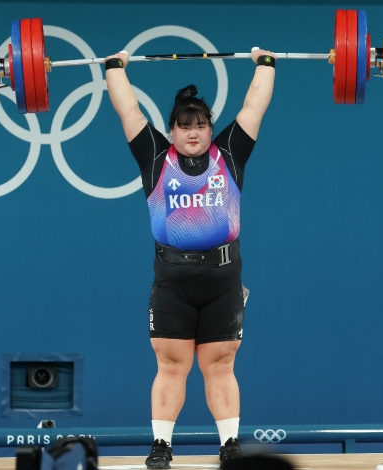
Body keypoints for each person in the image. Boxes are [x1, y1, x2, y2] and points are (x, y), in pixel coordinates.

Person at [103, 47, 276, 469]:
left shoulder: (230, 153)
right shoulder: (157, 157)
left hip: (222, 279)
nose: (193, 133)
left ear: (210, 128)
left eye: (200, 125)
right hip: (173, 280)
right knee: (170, 363)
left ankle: (230, 445)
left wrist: (265, 65)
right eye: (184, 126)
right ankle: (162, 445)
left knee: (220, 364)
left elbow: (255, 104)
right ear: (172, 131)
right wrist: (114, 68)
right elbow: (128, 110)